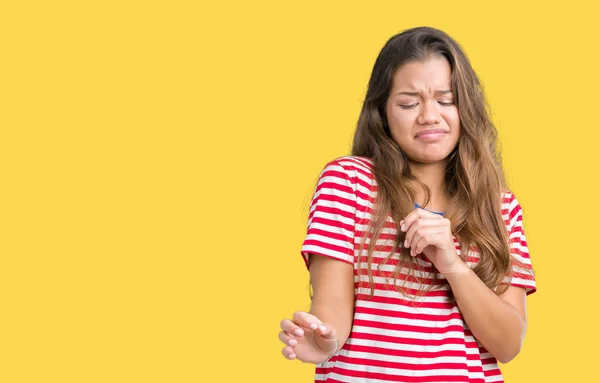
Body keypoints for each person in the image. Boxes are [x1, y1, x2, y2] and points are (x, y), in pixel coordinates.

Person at [278, 26, 536, 383]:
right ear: (382, 112)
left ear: (467, 108)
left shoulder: (499, 206)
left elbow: (508, 344)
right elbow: (331, 308)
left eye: (446, 100)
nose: (429, 116)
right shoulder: (350, 182)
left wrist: (451, 263)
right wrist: (324, 342)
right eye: (409, 103)